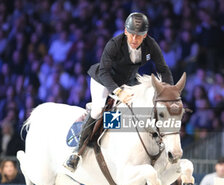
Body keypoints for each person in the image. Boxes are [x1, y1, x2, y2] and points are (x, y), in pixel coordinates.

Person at [64, 12, 174, 172]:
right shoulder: (114, 44)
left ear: (145, 35)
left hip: (125, 81)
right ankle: (77, 153)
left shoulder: (151, 45)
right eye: (132, 35)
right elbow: (104, 72)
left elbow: (163, 69)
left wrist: (168, 91)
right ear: (125, 31)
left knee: (135, 109)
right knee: (98, 110)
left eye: (139, 36)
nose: (135, 40)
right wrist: (116, 91)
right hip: (103, 80)